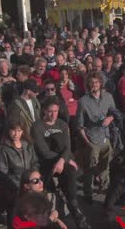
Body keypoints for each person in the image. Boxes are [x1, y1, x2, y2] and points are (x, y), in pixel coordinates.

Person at [31, 97, 90, 229]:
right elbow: (44, 152)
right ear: (44, 111)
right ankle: (76, 214)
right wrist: (64, 160)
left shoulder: (62, 124)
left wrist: (64, 160)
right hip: (46, 162)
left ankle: (76, 212)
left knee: (69, 173)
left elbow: (67, 148)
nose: (53, 114)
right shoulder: (37, 126)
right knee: (66, 173)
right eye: (50, 111)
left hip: (62, 161)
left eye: (56, 111)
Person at [76, 71, 116, 204]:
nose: (95, 84)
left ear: (101, 83)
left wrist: (110, 118)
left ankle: (105, 189)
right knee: (89, 168)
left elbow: (114, 113)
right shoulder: (83, 101)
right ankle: (88, 193)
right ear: (88, 84)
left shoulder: (109, 97)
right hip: (92, 140)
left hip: (106, 137)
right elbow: (80, 126)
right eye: (92, 82)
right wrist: (88, 143)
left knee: (106, 166)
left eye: (97, 82)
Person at [0, 120, 40, 228]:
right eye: (13, 130)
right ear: (8, 131)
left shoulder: (28, 145)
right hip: (13, 185)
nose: (16, 134)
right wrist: (16, 185)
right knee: (16, 200)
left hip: (29, 181)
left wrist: (33, 177)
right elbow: (1, 173)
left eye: (19, 131)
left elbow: (34, 162)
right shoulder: (3, 149)